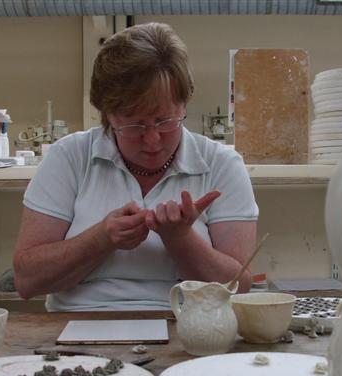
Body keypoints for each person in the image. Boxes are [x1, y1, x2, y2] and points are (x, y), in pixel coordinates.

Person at [13, 22, 258, 311]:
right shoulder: (70, 157)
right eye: (134, 124)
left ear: (184, 104)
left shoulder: (221, 164)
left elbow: (238, 287)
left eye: (166, 121)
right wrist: (101, 239)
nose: (152, 139)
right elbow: (27, 281)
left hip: (190, 326)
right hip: (79, 323)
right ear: (107, 114)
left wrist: (179, 239)